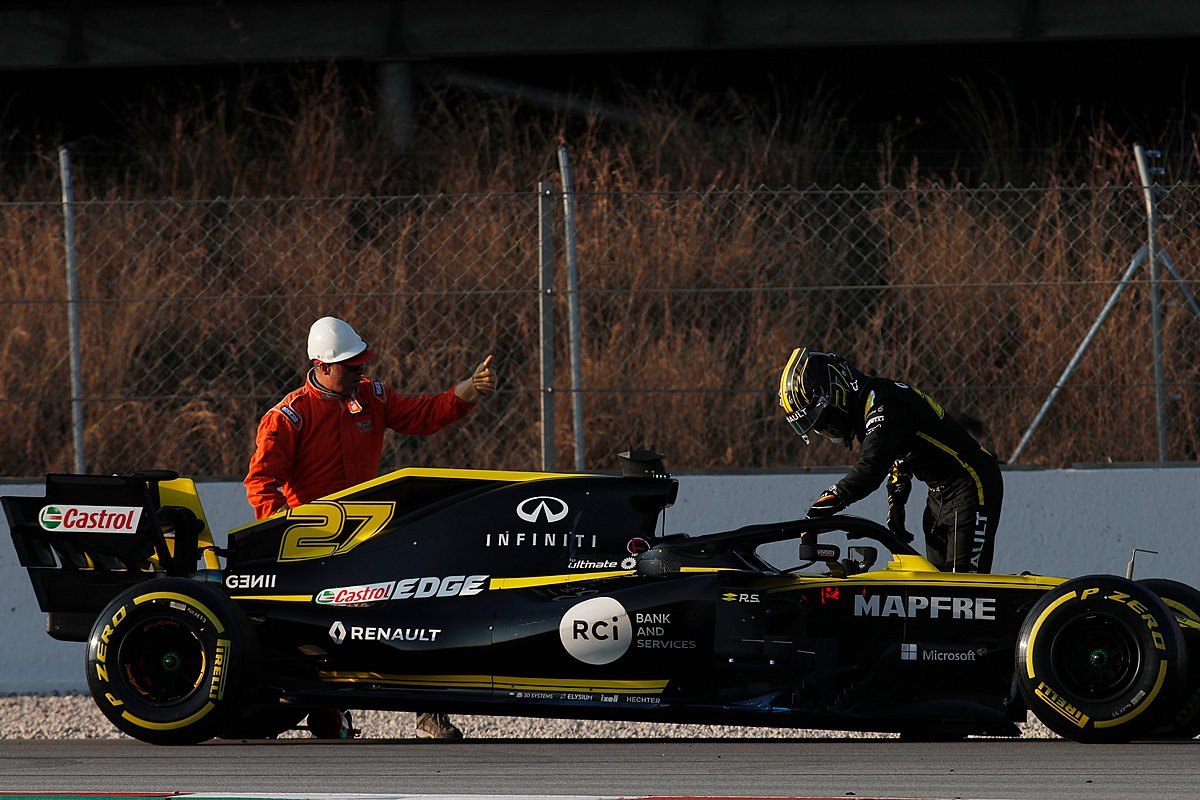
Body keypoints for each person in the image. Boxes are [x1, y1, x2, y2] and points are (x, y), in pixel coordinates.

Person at [244, 316, 496, 739]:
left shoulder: (372, 396)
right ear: (322, 366)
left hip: (372, 536)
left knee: (421, 609)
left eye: (362, 363)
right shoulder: (288, 417)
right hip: (315, 545)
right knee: (317, 632)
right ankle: (326, 712)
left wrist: (465, 392)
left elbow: (422, 416)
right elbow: (260, 483)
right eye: (351, 365)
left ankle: (428, 714)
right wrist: (281, 535)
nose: (361, 371)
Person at [777, 347, 1002, 573]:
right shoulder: (873, 401)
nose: (826, 429)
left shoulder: (883, 404)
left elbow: (871, 468)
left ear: (835, 391)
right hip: (940, 494)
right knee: (940, 588)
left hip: (972, 483)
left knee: (963, 593)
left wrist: (823, 506)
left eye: (824, 420)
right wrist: (897, 503)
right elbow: (901, 453)